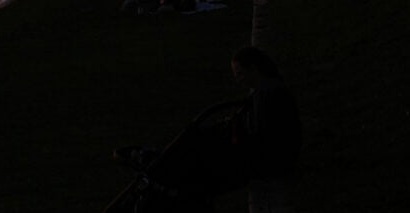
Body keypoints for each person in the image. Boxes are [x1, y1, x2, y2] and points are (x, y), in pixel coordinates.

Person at [116, 46, 300, 194]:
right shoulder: (266, 89)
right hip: (267, 157)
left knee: (200, 145)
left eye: (240, 74)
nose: (238, 80)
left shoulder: (267, 93)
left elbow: (260, 135)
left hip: (269, 162)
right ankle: (162, 159)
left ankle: (161, 162)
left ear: (253, 69)